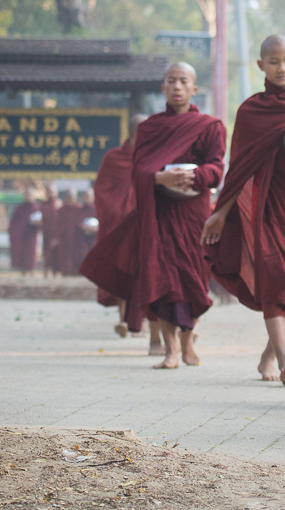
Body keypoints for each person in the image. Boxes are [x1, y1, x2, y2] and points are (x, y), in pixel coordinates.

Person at [80, 62, 226, 369]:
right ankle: (171, 350)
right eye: (171, 81)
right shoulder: (150, 129)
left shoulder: (210, 126)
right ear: (163, 88)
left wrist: (196, 175)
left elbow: (216, 168)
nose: (176, 86)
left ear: (193, 89)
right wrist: (161, 179)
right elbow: (139, 171)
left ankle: (188, 343)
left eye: (183, 81)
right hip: (159, 214)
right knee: (163, 280)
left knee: (195, 280)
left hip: (193, 213)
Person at [202, 35, 285, 385]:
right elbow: (238, 167)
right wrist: (221, 212)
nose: (281, 68)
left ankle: (268, 353)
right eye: (274, 61)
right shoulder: (251, 111)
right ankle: (284, 358)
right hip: (266, 206)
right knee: (274, 276)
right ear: (260, 65)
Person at [93, 114, 148, 337]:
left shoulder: (153, 156)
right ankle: (124, 319)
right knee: (123, 271)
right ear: (135, 131)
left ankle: (140, 322)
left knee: (144, 271)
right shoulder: (114, 158)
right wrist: (116, 211)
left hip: (145, 223)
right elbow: (102, 190)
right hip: (120, 224)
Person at [8, 187, 39, 275]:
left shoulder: (36, 208)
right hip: (21, 237)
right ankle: (23, 274)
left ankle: (32, 274)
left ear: (33, 196)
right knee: (22, 257)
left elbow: (40, 222)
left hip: (31, 236)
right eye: (26, 195)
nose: (28, 197)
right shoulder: (19, 208)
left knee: (30, 256)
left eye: (30, 195)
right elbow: (14, 223)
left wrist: (36, 223)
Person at [54, 190, 83, 276]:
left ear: (76, 199)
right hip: (64, 238)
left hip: (76, 238)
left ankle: (75, 272)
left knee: (76, 255)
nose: (70, 200)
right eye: (69, 198)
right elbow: (57, 224)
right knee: (64, 256)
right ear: (66, 199)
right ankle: (65, 272)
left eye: (72, 198)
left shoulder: (79, 209)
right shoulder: (61, 210)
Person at [40, 186, 61, 277]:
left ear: (56, 193)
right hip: (47, 233)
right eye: (49, 192)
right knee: (47, 254)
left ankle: (55, 274)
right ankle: (46, 273)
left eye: (53, 192)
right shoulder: (43, 205)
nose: (51, 194)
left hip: (57, 233)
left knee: (56, 254)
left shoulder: (59, 204)